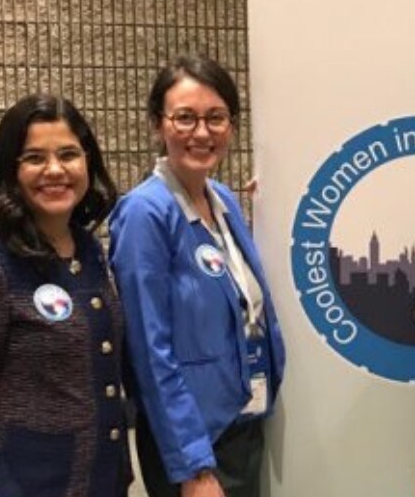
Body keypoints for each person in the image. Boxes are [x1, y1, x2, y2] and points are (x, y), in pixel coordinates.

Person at [0, 95, 127, 496]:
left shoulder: (87, 250)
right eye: (34, 158)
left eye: (68, 154)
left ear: (88, 162)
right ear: (9, 170)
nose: (55, 170)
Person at [109, 55, 286, 497]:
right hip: (194, 441)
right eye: (185, 118)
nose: (202, 133)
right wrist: (193, 467)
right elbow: (150, 352)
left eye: (216, 118)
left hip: (240, 424)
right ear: (157, 124)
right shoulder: (144, 214)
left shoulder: (222, 200)